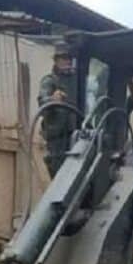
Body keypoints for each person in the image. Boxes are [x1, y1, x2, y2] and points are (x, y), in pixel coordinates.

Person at [38, 42, 79, 177]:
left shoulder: (76, 81)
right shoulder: (50, 81)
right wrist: (52, 99)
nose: (67, 61)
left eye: (68, 58)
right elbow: (42, 103)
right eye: (63, 58)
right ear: (56, 61)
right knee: (59, 178)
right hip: (57, 141)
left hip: (75, 137)